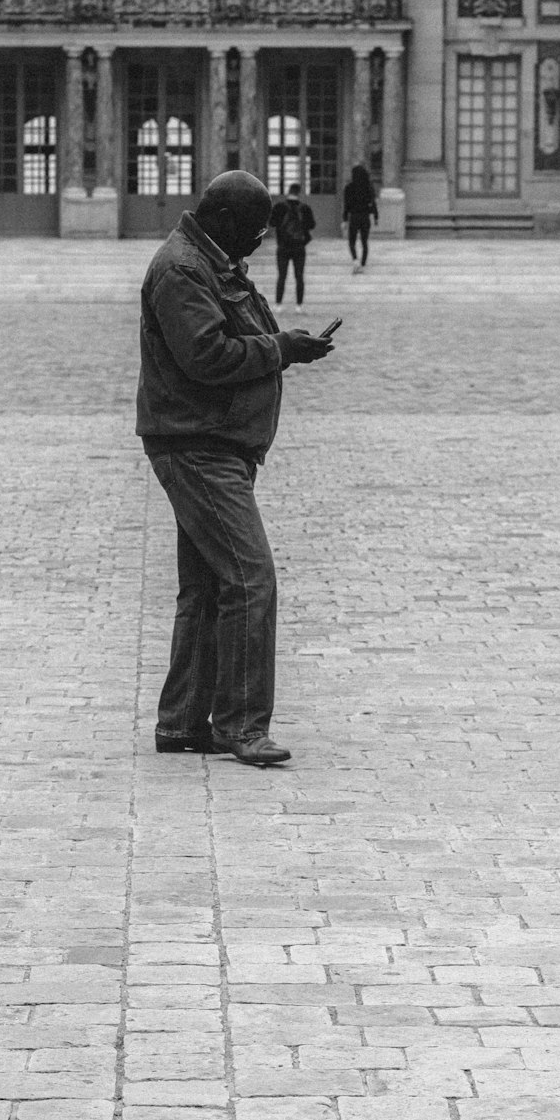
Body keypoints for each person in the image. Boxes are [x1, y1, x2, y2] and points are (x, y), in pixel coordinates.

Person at [136, 171, 334, 767]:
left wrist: (286, 345)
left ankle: (181, 722)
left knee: (206, 587)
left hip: (217, 441)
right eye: (253, 230)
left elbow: (240, 337)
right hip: (198, 445)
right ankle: (242, 726)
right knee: (251, 580)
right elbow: (206, 356)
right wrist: (282, 350)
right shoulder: (183, 268)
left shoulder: (212, 261)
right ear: (223, 218)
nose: (259, 241)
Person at [268, 181, 316, 313]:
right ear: (299, 193)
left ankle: (278, 304)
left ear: (288, 192)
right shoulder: (304, 208)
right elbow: (312, 225)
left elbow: (272, 223)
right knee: (299, 276)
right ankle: (299, 305)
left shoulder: (279, 207)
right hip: (299, 247)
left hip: (283, 246)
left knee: (281, 276)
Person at [343, 164, 379, 274]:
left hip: (354, 217)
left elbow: (346, 205)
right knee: (364, 242)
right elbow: (373, 204)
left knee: (352, 242)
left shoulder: (349, 188)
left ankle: (355, 261)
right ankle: (362, 264)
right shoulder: (369, 187)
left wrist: (344, 219)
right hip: (365, 217)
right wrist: (376, 217)